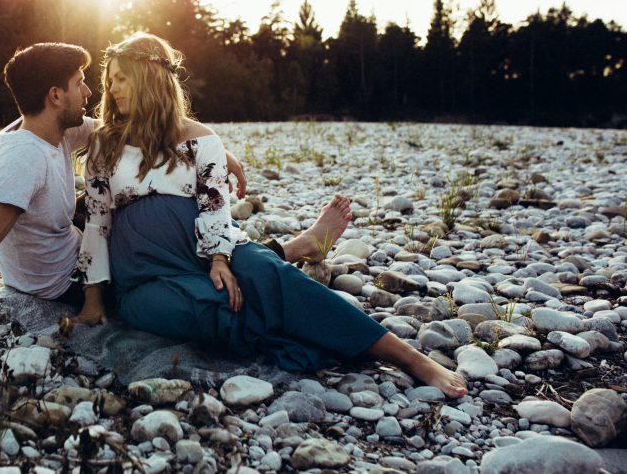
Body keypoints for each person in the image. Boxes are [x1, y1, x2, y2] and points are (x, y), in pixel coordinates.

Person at [73, 33, 467, 398]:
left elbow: (214, 205)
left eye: (121, 79)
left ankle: (411, 358)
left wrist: (219, 258)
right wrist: (93, 299)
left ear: (149, 79)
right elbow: (97, 222)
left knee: (274, 277)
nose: (112, 89)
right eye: (110, 82)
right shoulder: (105, 144)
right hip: (144, 274)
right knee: (211, 311)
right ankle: (308, 327)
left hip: (203, 246)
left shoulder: (201, 138)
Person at [0, 42, 247, 374]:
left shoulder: (52, 129)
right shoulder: (22, 160)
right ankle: (269, 253)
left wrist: (210, 149)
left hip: (70, 239)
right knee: (177, 250)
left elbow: (130, 126)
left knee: (127, 200)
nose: (89, 91)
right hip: (65, 282)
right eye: (79, 82)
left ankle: (233, 247)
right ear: (55, 95)